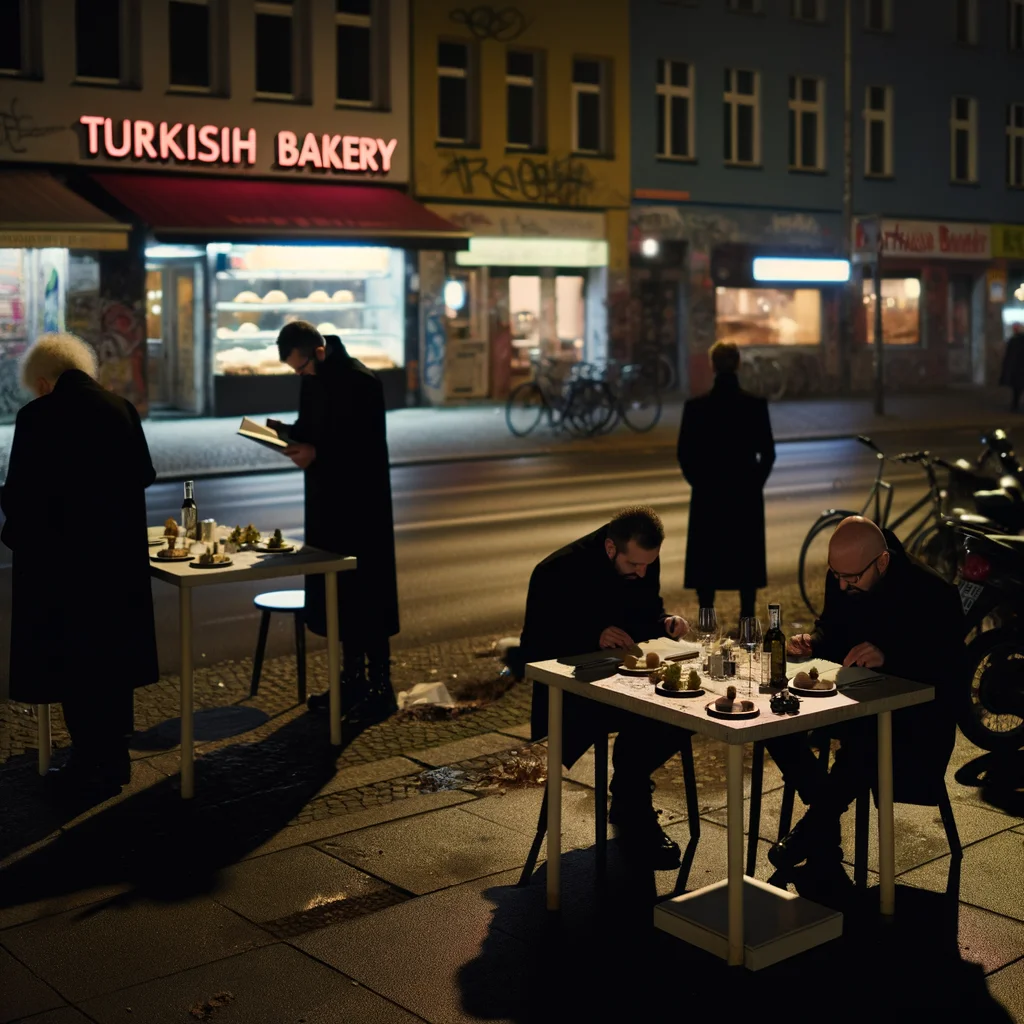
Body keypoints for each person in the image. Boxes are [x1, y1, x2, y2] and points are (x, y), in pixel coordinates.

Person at [1, 333, 158, 797]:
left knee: (74, 663)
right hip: (116, 563)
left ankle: (88, 760)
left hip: (64, 568)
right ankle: (118, 758)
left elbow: (21, 496)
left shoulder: (36, 417)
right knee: (112, 661)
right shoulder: (121, 408)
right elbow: (143, 475)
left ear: (44, 381)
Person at [765, 516, 966, 875]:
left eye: (851, 579)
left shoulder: (932, 592)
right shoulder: (847, 571)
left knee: (868, 738)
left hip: (913, 719)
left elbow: (948, 672)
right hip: (852, 698)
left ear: (882, 562)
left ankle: (815, 826)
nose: (842, 586)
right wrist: (814, 641)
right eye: (836, 576)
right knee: (775, 720)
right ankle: (824, 825)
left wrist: (891, 657)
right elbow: (834, 627)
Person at [519, 506, 692, 868]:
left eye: (649, 565)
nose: (643, 572)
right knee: (648, 719)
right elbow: (534, 647)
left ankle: (629, 793)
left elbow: (646, 611)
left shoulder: (642, 558)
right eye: (635, 566)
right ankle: (633, 804)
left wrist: (665, 621)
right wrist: (592, 635)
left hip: (627, 681)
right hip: (575, 693)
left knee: (684, 709)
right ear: (612, 549)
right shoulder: (557, 571)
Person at [271, 321, 399, 726]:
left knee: (367, 596)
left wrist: (316, 453)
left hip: (362, 512)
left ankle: (380, 686)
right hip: (328, 509)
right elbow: (313, 430)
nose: (300, 374)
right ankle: (350, 682)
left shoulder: (362, 382)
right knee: (338, 597)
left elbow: (364, 451)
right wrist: (284, 433)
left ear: (319, 350)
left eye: (301, 366)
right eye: (294, 370)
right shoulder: (315, 380)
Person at [677, 341, 775, 620]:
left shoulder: (696, 408)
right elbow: (767, 453)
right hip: (744, 493)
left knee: (707, 563)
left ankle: (707, 621)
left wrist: (699, 482)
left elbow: (685, 454)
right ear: (738, 364)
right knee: (746, 564)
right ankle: (746, 622)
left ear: (712, 365)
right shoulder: (754, 405)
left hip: (709, 493)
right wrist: (754, 483)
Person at [999, 322, 1024, 413]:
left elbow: (1009, 356)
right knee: (1017, 389)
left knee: (1017, 389)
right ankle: (1015, 405)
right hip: (1019, 368)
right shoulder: (1015, 341)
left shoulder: (1013, 341)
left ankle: (1015, 405)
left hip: (1017, 369)